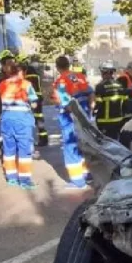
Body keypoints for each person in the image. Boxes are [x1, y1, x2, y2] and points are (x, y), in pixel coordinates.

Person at [52, 56, 94, 189]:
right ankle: (87, 175)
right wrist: (89, 112)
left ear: (57, 67)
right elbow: (91, 94)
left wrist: (69, 112)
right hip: (84, 116)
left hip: (70, 118)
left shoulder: (61, 81)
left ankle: (78, 182)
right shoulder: (79, 76)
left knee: (71, 147)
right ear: (68, 65)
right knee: (83, 144)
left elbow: (64, 102)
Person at [0, 57, 39, 189]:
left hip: (6, 120)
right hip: (22, 120)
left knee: (9, 149)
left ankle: (11, 178)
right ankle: (25, 180)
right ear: (19, 71)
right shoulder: (26, 84)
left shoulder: (1, 84)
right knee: (24, 150)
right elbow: (34, 102)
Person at [93, 61, 132, 141]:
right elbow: (126, 105)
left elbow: (97, 105)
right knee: (116, 143)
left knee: (106, 145)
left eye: (102, 72)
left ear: (104, 72)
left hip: (104, 122)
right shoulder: (121, 86)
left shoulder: (100, 87)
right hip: (119, 121)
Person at [19, 55, 48, 147]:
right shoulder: (34, 71)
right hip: (37, 97)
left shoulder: (29, 72)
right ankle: (43, 139)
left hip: (32, 98)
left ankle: (36, 140)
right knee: (38, 118)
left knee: (31, 119)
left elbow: (26, 85)